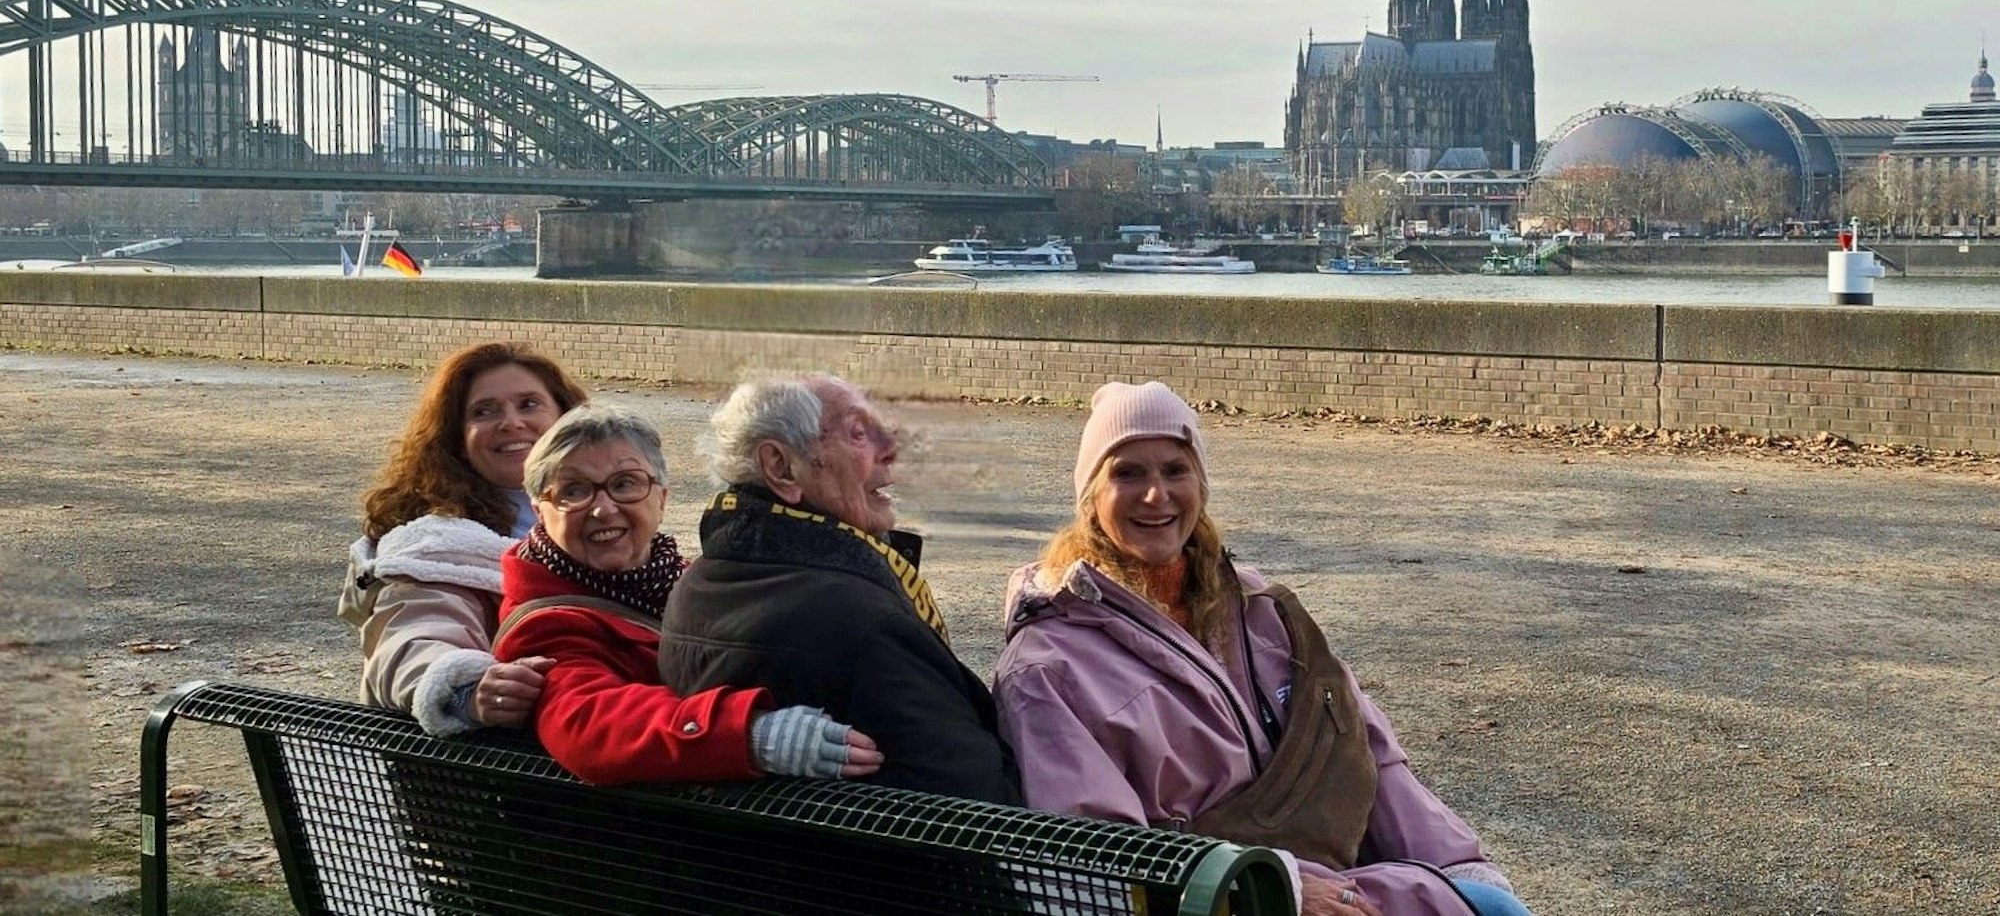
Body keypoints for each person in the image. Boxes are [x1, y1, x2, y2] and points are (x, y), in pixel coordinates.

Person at [994, 381, 1531, 916]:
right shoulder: (1049, 666)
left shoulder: (1260, 610)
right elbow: (1096, 854)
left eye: (1175, 470)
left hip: (1334, 884)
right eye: (1127, 473)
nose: (1156, 495)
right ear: (1090, 497)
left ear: (1201, 486)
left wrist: (1461, 867)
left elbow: (1367, 751)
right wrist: (1281, 889)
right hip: (1220, 900)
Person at [658, 373, 1020, 803]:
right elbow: (980, 798)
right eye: (859, 433)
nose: (892, 451)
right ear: (781, 467)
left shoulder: (696, 584)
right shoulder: (860, 623)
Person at [492, 403, 884, 785]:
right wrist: (750, 733)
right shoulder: (546, 624)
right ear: (539, 510)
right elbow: (588, 721)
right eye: (573, 491)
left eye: (626, 483)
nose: (603, 509)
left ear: (661, 498)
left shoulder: (687, 578)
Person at [338, 341, 586, 736]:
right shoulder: (437, 545)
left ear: (567, 419)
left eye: (529, 404)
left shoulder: (605, 520)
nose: (511, 422)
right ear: (455, 438)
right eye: (484, 411)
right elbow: (411, 639)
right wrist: (468, 689)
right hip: (507, 777)